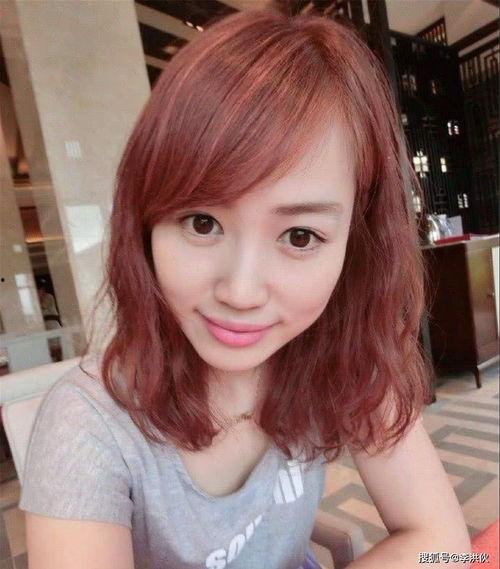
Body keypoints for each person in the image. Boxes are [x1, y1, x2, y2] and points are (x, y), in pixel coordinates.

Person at [18, 9, 472, 569]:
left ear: (356, 247)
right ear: (145, 225)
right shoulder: (88, 427)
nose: (240, 291)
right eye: (202, 222)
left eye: (300, 236)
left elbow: (447, 549)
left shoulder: (343, 357)